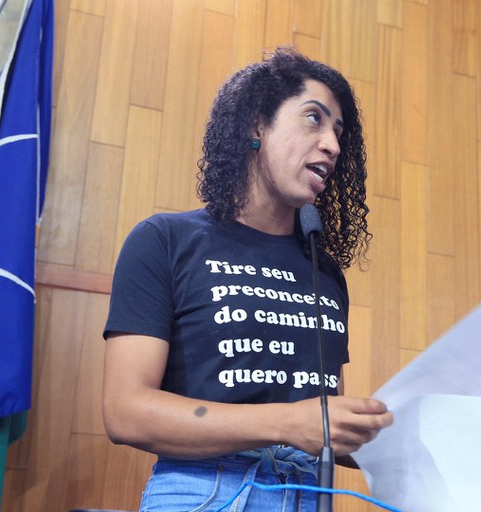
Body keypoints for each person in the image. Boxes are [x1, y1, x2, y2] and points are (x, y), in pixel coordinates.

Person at [102, 47, 393, 512]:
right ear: (258, 125)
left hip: (308, 493)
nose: (333, 145)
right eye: (314, 119)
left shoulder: (323, 271)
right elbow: (125, 411)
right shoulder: (165, 240)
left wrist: (406, 438)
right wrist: (286, 423)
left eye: (338, 132)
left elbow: (319, 425)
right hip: (207, 491)